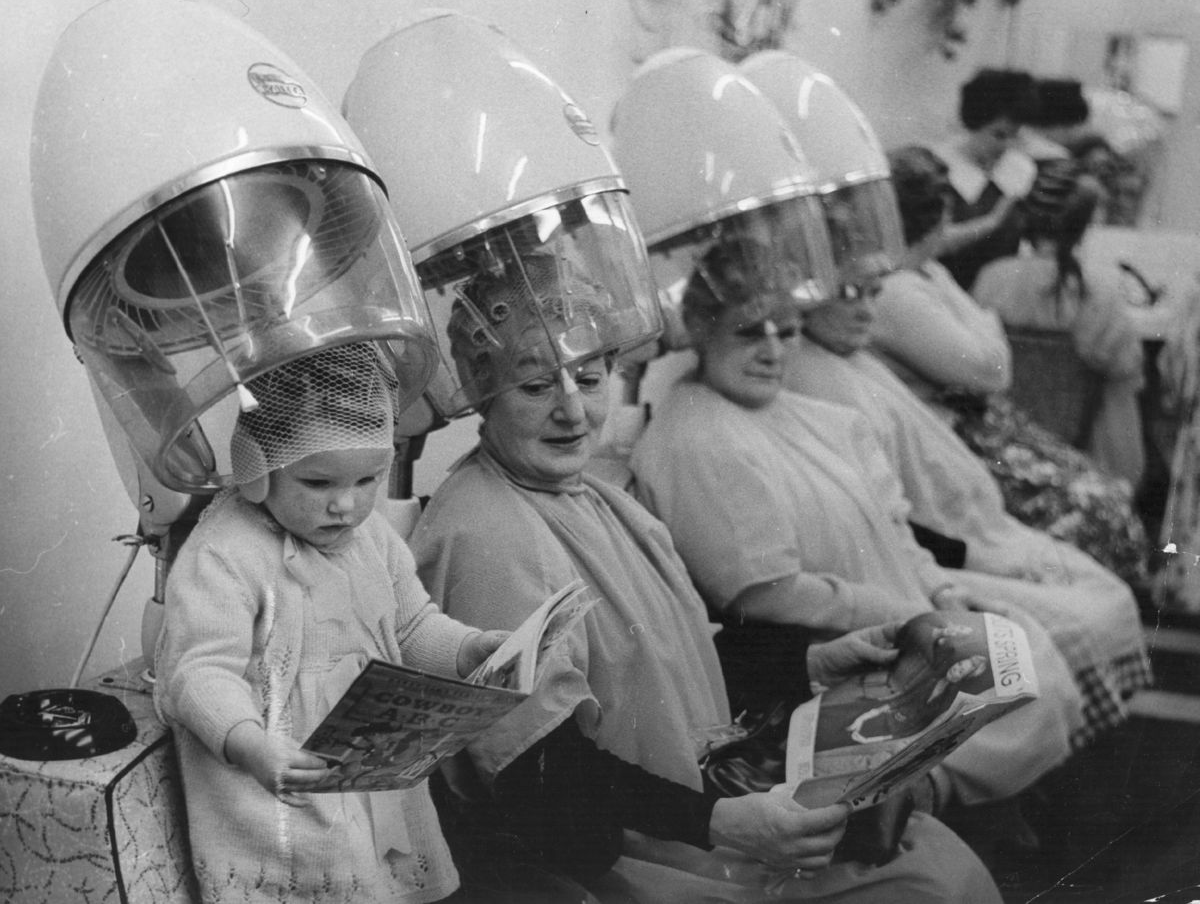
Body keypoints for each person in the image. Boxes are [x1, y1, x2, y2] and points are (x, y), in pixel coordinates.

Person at [409, 248, 1003, 903]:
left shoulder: (597, 496)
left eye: (591, 375)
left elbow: (668, 657)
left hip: (693, 810)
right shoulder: (484, 534)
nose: (574, 411)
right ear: (483, 388)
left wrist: (810, 660)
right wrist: (722, 822)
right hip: (631, 856)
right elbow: (538, 771)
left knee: (940, 860)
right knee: (930, 888)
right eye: (535, 384)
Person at [630, 237, 1086, 814]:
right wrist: (903, 615)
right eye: (749, 331)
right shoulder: (696, 437)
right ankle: (947, 810)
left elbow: (894, 530)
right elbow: (765, 592)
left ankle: (982, 815)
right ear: (701, 327)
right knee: (1021, 683)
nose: (773, 351)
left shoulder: (826, 420)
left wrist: (943, 591)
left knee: (1029, 648)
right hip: (840, 660)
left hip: (907, 620)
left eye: (788, 329)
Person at [154, 342, 508, 904]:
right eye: (318, 484)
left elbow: (413, 625)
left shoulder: (371, 538)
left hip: (371, 778)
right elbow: (197, 674)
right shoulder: (224, 554)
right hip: (281, 787)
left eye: (368, 480)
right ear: (258, 469)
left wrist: (469, 649)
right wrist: (249, 743)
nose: (346, 506)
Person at [787, 246, 1150, 751]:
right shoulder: (806, 376)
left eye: (872, 296)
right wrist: (971, 559)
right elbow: (884, 522)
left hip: (952, 543)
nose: (867, 311)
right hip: (924, 560)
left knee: (1103, 591)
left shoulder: (855, 359)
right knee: (1079, 615)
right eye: (848, 296)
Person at [872, 144, 1152, 589]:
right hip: (1001, 433)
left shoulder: (987, 277)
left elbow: (987, 340)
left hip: (1006, 423)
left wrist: (989, 330)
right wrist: (988, 333)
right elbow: (996, 364)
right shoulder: (1098, 294)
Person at [972, 165, 1147, 489]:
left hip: (1003, 442)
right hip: (1083, 452)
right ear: (1083, 227)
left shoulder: (992, 278)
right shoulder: (1098, 292)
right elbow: (1125, 370)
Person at [931, 68, 1040, 291]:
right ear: (974, 124)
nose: (1007, 145)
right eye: (999, 134)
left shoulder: (1021, 169)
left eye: (1015, 135)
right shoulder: (938, 167)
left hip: (999, 292)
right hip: (945, 290)